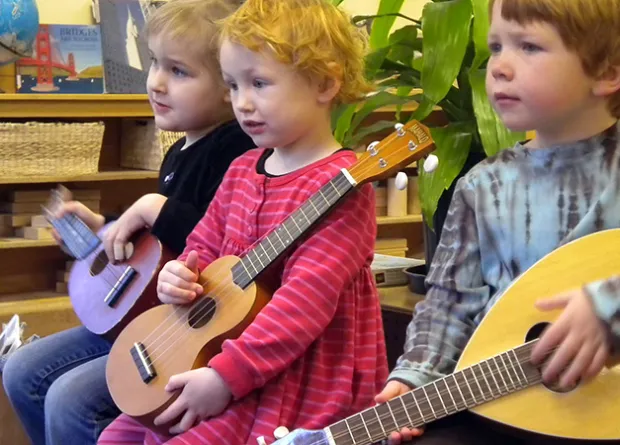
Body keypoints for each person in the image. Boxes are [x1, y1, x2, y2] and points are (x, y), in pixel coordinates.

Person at [97, 0, 388, 444]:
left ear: (326, 82)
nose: (242, 103)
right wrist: (178, 276)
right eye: (233, 86)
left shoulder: (344, 188)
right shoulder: (242, 170)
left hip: (296, 384)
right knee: (115, 438)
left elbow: (302, 306)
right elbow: (203, 252)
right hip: (220, 355)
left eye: (259, 83)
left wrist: (226, 379)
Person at [2, 1, 254, 444]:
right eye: (155, 62)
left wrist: (153, 207)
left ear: (228, 87)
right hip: (139, 315)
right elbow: (160, 244)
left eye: (179, 71)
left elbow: (218, 245)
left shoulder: (238, 150)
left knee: (69, 398)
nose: (155, 81)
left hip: (178, 333)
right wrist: (105, 226)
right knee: (21, 369)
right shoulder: (178, 152)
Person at [374, 0, 620, 444]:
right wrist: (413, 377)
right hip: (502, 406)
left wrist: (608, 308)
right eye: (494, 48)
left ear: (608, 71)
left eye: (528, 46)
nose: (500, 68)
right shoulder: (481, 187)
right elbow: (449, 304)